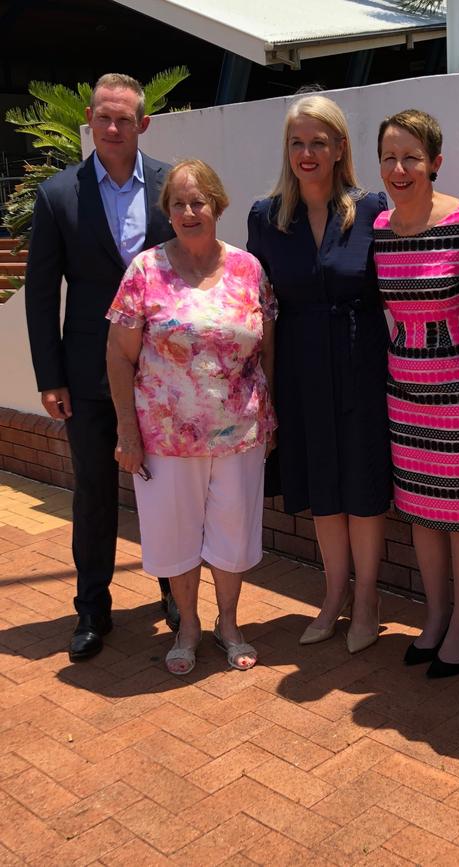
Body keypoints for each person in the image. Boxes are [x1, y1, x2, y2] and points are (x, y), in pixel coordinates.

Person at [25, 73, 179, 662]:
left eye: (125, 118)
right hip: (87, 374)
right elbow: (42, 294)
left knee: (166, 490)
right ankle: (92, 608)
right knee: (93, 491)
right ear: (90, 119)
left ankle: (176, 592)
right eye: (104, 117)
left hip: (165, 370)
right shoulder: (59, 194)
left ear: (143, 124)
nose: (113, 128)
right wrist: (49, 377)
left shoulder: (171, 186)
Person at [106, 159, 277, 675]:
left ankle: (228, 622)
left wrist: (271, 415)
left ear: (218, 206)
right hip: (165, 435)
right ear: (168, 212)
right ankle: (188, 625)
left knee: (231, 532)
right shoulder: (145, 271)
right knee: (175, 536)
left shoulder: (249, 268)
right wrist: (127, 432)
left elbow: (268, 345)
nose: (188, 211)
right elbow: (119, 354)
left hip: (240, 430)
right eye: (178, 203)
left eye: (198, 200)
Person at [247, 95, 392, 654]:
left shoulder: (371, 207)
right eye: (297, 142)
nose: (307, 153)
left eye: (318, 142)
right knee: (325, 487)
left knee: (362, 484)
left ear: (338, 149)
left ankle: (369, 599)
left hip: (361, 362)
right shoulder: (266, 216)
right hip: (301, 366)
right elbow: (259, 306)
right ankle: (333, 596)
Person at [374, 110, 459, 678]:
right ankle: (437, 614)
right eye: (390, 157)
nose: (399, 169)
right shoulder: (377, 228)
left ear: (436, 163)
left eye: (411, 157)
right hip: (405, 388)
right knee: (421, 508)